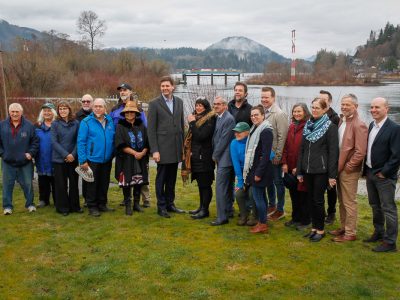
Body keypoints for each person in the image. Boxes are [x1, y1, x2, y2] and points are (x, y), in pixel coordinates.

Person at [297, 97, 338, 242]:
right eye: (312, 107)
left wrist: (332, 175)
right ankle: (314, 228)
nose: (314, 110)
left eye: (317, 108)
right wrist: (300, 170)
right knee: (310, 199)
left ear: (325, 109)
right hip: (307, 170)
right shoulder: (308, 125)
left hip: (321, 170)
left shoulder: (330, 127)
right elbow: (301, 149)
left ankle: (320, 230)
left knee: (318, 201)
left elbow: (333, 152)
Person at [329, 94, 368, 242]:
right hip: (339, 168)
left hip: (348, 170)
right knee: (341, 200)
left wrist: (348, 167)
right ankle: (344, 227)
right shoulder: (342, 121)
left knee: (349, 202)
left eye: (348, 105)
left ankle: (350, 233)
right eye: (343, 104)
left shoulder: (359, 124)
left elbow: (360, 151)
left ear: (356, 106)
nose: (344, 107)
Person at [363, 97, 400, 252]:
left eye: (377, 107)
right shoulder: (372, 125)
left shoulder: (394, 128)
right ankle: (379, 232)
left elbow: (397, 155)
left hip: (384, 177)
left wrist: (384, 173)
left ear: (387, 109)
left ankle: (390, 242)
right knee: (375, 206)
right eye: (371, 107)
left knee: (388, 208)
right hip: (371, 173)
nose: (373, 110)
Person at [147, 76, 185, 218]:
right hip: (162, 149)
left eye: (167, 86)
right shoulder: (154, 104)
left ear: (172, 87)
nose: (165, 88)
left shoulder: (179, 102)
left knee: (172, 179)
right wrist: (154, 150)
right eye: (162, 86)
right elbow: (151, 129)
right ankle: (161, 206)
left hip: (175, 148)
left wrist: (183, 148)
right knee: (161, 179)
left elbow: (181, 126)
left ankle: (170, 204)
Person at [110, 83, 151, 208]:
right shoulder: (114, 109)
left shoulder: (139, 109)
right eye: (121, 90)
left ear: (130, 92)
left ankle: (144, 199)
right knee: (125, 176)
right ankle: (127, 200)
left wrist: (143, 151)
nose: (122, 92)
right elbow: (112, 127)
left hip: (139, 148)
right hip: (123, 149)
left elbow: (145, 129)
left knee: (141, 176)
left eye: (125, 90)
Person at [77, 98, 115, 217]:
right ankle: (92, 206)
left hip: (106, 159)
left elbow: (112, 138)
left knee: (104, 183)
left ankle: (102, 204)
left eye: (100, 106)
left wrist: (112, 153)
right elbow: (81, 141)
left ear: (105, 108)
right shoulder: (86, 122)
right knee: (92, 184)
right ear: (93, 108)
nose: (98, 108)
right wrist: (83, 160)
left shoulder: (110, 121)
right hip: (92, 159)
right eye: (96, 106)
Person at [0, 103, 39, 215]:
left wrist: (31, 153)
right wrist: (3, 154)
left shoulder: (29, 126)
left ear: (21, 112)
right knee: (7, 185)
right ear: (9, 112)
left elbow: (35, 142)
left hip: (25, 162)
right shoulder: (2, 125)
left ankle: (30, 204)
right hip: (8, 162)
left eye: (17, 111)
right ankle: (7, 207)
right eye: (12, 111)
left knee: (28, 184)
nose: (15, 113)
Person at [182, 97, 216, 219]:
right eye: (197, 105)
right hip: (196, 156)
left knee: (206, 184)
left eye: (201, 105)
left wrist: (191, 123)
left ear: (206, 107)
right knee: (200, 184)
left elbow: (201, 136)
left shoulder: (210, 119)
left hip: (205, 157)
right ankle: (201, 207)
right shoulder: (197, 118)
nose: (198, 107)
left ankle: (205, 210)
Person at [244, 105, 274, 233]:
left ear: (263, 115)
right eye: (252, 115)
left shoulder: (266, 131)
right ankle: (263, 221)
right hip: (255, 168)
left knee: (258, 198)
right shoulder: (255, 129)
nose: (254, 117)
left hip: (261, 170)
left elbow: (266, 154)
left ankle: (262, 224)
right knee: (260, 196)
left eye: (256, 115)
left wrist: (258, 173)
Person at [260, 87, 288, 221]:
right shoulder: (263, 112)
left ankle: (281, 209)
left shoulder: (279, 114)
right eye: (262, 97)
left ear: (273, 98)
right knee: (269, 182)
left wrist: (278, 156)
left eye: (267, 97)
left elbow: (282, 136)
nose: (264, 99)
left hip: (275, 156)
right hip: (266, 155)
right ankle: (272, 205)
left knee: (278, 182)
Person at [281, 103, 311, 229]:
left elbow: (308, 150)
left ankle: (305, 221)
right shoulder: (292, 126)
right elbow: (286, 146)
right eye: (294, 111)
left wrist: (299, 167)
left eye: (299, 111)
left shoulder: (309, 127)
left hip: (302, 168)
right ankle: (295, 218)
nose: (296, 114)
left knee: (303, 194)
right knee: (293, 194)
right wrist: (284, 162)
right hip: (290, 165)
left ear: (305, 112)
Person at [51, 101, 81, 216]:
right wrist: (65, 155)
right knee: (61, 185)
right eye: (60, 109)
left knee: (74, 184)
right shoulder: (55, 124)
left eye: (65, 108)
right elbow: (54, 142)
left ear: (69, 109)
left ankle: (75, 206)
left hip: (73, 158)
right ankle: (63, 208)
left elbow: (79, 140)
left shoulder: (76, 123)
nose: (62, 111)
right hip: (59, 159)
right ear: (58, 111)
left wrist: (73, 154)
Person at [210, 96, 236, 226]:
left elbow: (224, 140)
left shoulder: (229, 119)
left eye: (219, 104)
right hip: (223, 158)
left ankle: (222, 217)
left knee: (220, 188)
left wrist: (214, 156)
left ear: (225, 106)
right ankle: (228, 210)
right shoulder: (219, 117)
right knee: (227, 186)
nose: (216, 106)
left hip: (225, 159)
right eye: (214, 104)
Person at [319, 90, 340, 225]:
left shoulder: (335, 118)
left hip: (330, 158)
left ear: (330, 101)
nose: (322, 101)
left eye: (324, 99)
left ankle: (331, 213)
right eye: (319, 98)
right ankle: (321, 213)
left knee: (331, 188)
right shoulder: (316, 115)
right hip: (318, 159)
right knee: (319, 187)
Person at [230, 122, 255, 226]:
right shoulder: (234, 143)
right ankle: (244, 215)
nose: (236, 134)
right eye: (235, 132)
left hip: (253, 174)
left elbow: (269, 155)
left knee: (252, 193)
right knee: (239, 193)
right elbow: (236, 163)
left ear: (247, 132)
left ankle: (254, 216)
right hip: (242, 175)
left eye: (239, 132)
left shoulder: (253, 141)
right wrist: (240, 182)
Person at [35, 102, 57, 208]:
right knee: (43, 180)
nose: (47, 113)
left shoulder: (57, 125)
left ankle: (58, 199)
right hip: (41, 158)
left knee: (56, 181)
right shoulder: (37, 126)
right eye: (45, 111)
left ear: (53, 113)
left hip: (54, 158)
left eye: (49, 111)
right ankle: (43, 200)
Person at [75, 94, 94, 207]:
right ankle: (86, 199)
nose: (86, 103)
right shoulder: (76, 116)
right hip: (81, 150)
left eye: (88, 101)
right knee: (85, 176)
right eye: (84, 101)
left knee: (93, 176)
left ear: (92, 103)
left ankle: (94, 198)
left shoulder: (96, 114)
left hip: (93, 151)